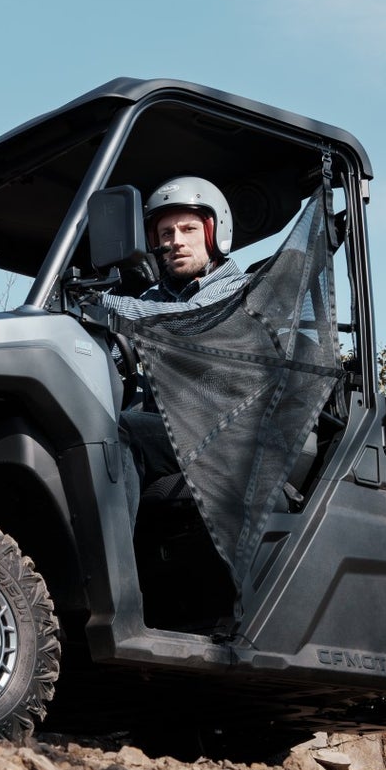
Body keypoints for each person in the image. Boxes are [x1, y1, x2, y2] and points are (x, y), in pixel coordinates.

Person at [98, 176, 245, 524]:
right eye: (166, 234)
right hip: (171, 433)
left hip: (223, 434)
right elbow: (117, 352)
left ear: (213, 232)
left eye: (188, 230)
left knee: (120, 430)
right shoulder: (152, 301)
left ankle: (115, 568)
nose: (176, 242)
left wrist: (101, 306)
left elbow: (185, 321)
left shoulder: (237, 290)